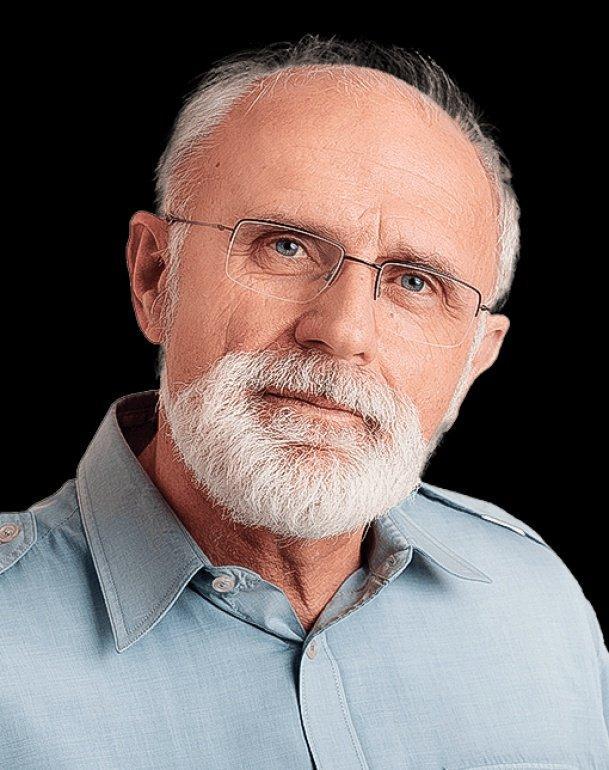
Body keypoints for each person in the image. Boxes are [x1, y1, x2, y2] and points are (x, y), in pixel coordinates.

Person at [2, 35, 607, 769]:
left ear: (476, 357)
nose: (343, 331)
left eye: (415, 282)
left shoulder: (538, 607)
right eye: (285, 246)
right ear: (156, 276)